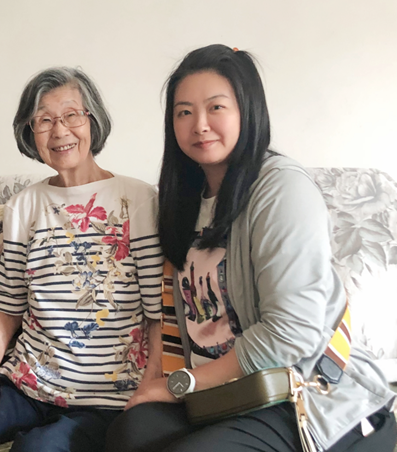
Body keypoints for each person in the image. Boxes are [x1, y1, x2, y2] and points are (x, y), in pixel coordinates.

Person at [105, 44, 397, 452]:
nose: (200, 125)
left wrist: (181, 384)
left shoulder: (280, 188)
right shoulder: (183, 198)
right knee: (128, 434)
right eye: (184, 112)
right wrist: (163, 380)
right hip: (224, 395)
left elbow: (292, 332)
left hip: (301, 393)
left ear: (247, 110)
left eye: (216, 107)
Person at [0, 67, 164, 452]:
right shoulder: (24, 205)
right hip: (26, 385)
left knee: (38, 449)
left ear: (93, 120)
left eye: (71, 115)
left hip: (107, 396)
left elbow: (157, 310)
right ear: (30, 132)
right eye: (44, 120)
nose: (60, 130)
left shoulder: (138, 199)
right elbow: (7, 304)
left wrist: (150, 387)